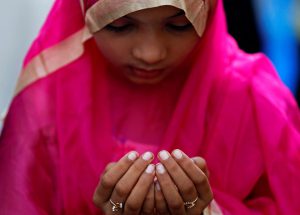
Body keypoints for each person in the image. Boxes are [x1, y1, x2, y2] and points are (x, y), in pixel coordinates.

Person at [0, 0, 299, 214]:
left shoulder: (255, 100)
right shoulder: (47, 104)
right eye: (119, 25)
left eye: (179, 25)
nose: (151, 53)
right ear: (83, 15)